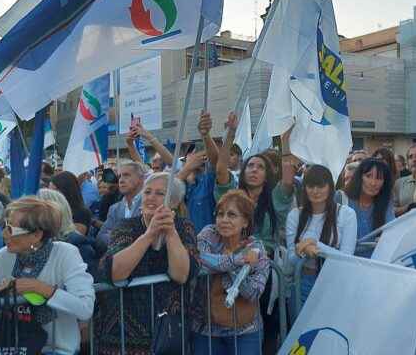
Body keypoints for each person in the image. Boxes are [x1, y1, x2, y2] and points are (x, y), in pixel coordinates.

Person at [215, 112, 296, 351]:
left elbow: (289, 171)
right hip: (231, 266)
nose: (254, 170)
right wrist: (230, 133)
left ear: (267, 174)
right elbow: (220, 168)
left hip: (264, 272)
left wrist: (285, 140)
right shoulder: (232, 196)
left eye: (260, 167)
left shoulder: (276, 198)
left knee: (266, 324)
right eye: (250, 165)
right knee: (232, 319)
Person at [94, 172, 197, 355]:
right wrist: (149, 234)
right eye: (147, 191)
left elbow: (181, 275)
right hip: (122, 335)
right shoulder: (125, 226)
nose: (151, 197)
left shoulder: (183, 227)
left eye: (160, 194)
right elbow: (114, 272)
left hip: (166, 333)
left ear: (173, 202)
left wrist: (171, 233)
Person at [0, 197, 95, 355]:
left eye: (11, 229)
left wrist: (38, 288)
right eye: (4, 226)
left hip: (58, 349)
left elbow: (85, 308)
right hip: (15, 347)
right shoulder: (2, 257)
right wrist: (1, 296)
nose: (3, 234)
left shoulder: (65, 254)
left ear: (37, 235)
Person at [192, 190, 270, 354]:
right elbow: (199, 261)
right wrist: (236, 261)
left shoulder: (256, 248)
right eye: (220, 214)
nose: (224, 220)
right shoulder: (208, 234)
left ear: (245, 222)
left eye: (232, 215)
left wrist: (231, 270)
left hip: (246, 331)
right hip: (205, 329)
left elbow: (254, 294)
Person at [286, 165, 357, 306]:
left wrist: (315, 244)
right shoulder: (295, 215)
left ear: (330, 186)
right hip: (303, 283)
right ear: (305, 188)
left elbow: (347, 258)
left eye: (321, 186)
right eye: (311, 186)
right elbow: (292, 258)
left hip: (335, 284)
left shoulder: (346, 214)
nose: (315, 191)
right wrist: (303, 251)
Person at [177, 112, 220, 234]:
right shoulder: (181, 184)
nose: (191, 156)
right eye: (189, 154)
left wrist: (206, 135)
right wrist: (187, 169)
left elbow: (216, 161)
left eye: (196, 153)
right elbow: (166, 193)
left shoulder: (208, 181)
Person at [341, 158, 394, 256]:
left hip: (375, 264)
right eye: (368, 176)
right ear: (359, 177)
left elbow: (391, 232)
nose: (373, 183)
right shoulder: (341, 199)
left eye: (379, 178)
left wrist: (385, 239)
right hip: (345, 263)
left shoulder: (387, 202)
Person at [97, 161, 148, 248]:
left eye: (126, 175)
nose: (121, 180)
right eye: (119, 176)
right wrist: (121, 241)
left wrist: (116, 235)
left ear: (141, 179)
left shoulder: (150, 204)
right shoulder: (114, 208)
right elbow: (101, 237)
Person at [49, 171, 93, 236]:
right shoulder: (50, 209)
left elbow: (74, 238)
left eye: (54, 190)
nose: (50, 194)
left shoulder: (82, 213)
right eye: (49, 190)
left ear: (65, 190)